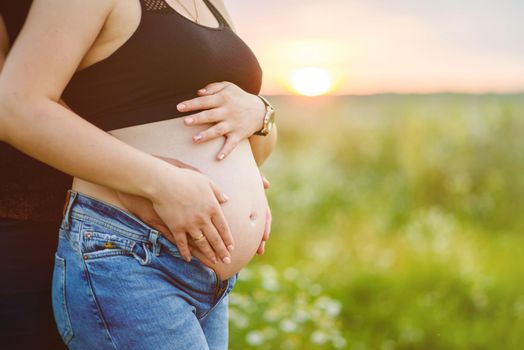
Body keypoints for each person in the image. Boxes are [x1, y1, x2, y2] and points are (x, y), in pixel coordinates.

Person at [0, 0, 275, 348]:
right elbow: (15, 106)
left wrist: (260, 113)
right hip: (133, 255)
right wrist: (162, 184)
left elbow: (257, 147)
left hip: (207, 269)